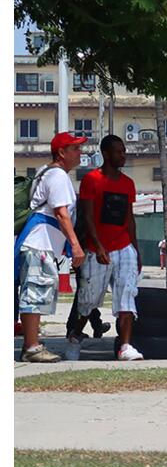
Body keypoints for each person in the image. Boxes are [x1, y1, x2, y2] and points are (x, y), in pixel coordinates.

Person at [17, 132, 88, 363]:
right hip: (40, 243)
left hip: (38, 241)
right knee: (35, 292)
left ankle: (32, 343)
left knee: (36, 292)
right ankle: (31, 347)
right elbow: (61, 214)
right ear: (62, 153)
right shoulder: (58, 176)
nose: (80, 153)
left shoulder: (45, 172)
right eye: (75, 149)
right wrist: (76, 246)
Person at [72, 134, 143, 361]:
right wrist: (98, 245)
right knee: (88, 300)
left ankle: (125, 346)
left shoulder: (128, 183)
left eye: (124, 151)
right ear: (105, 153)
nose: (122, 155)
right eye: (118, 151)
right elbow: (88, 216)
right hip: (97, 249)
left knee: (126, 298)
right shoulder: (91, 180)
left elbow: (129, 219)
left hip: (123, 247)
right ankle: (74, 336)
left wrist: (135, 249)